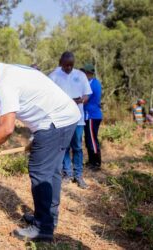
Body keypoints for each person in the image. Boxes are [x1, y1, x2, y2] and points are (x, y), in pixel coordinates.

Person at [0, 52, 80, 241]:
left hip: (55, 121)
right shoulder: (10, 71)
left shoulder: (4, 83)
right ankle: (48, 219)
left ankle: (42, 227)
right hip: (65, 117)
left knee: (40, 171)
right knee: (52, 171)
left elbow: (6, 128)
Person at [49, 51, 92, 189]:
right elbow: (48, 95)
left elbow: (87, 94)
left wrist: (81, 100)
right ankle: (67, 173)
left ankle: (78, 175)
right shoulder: (54, 76)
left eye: (71, 65)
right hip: (62, 119)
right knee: (64, 147)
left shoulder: (80, 75)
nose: (68, 68)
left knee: (78, 147)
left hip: (78, 119)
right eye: (66, 65)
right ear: (61, 62)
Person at [81, 63, 103, 171]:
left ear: (89, 73)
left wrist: (72, 101)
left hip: (92, 115)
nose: (82, 74)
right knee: (89, 139)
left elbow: (84, 100)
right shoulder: (92, 83)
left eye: (84, 72)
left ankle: (96, 163)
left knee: (92, 140)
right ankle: (91, 161)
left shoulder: (92, 84)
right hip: (90, 116)